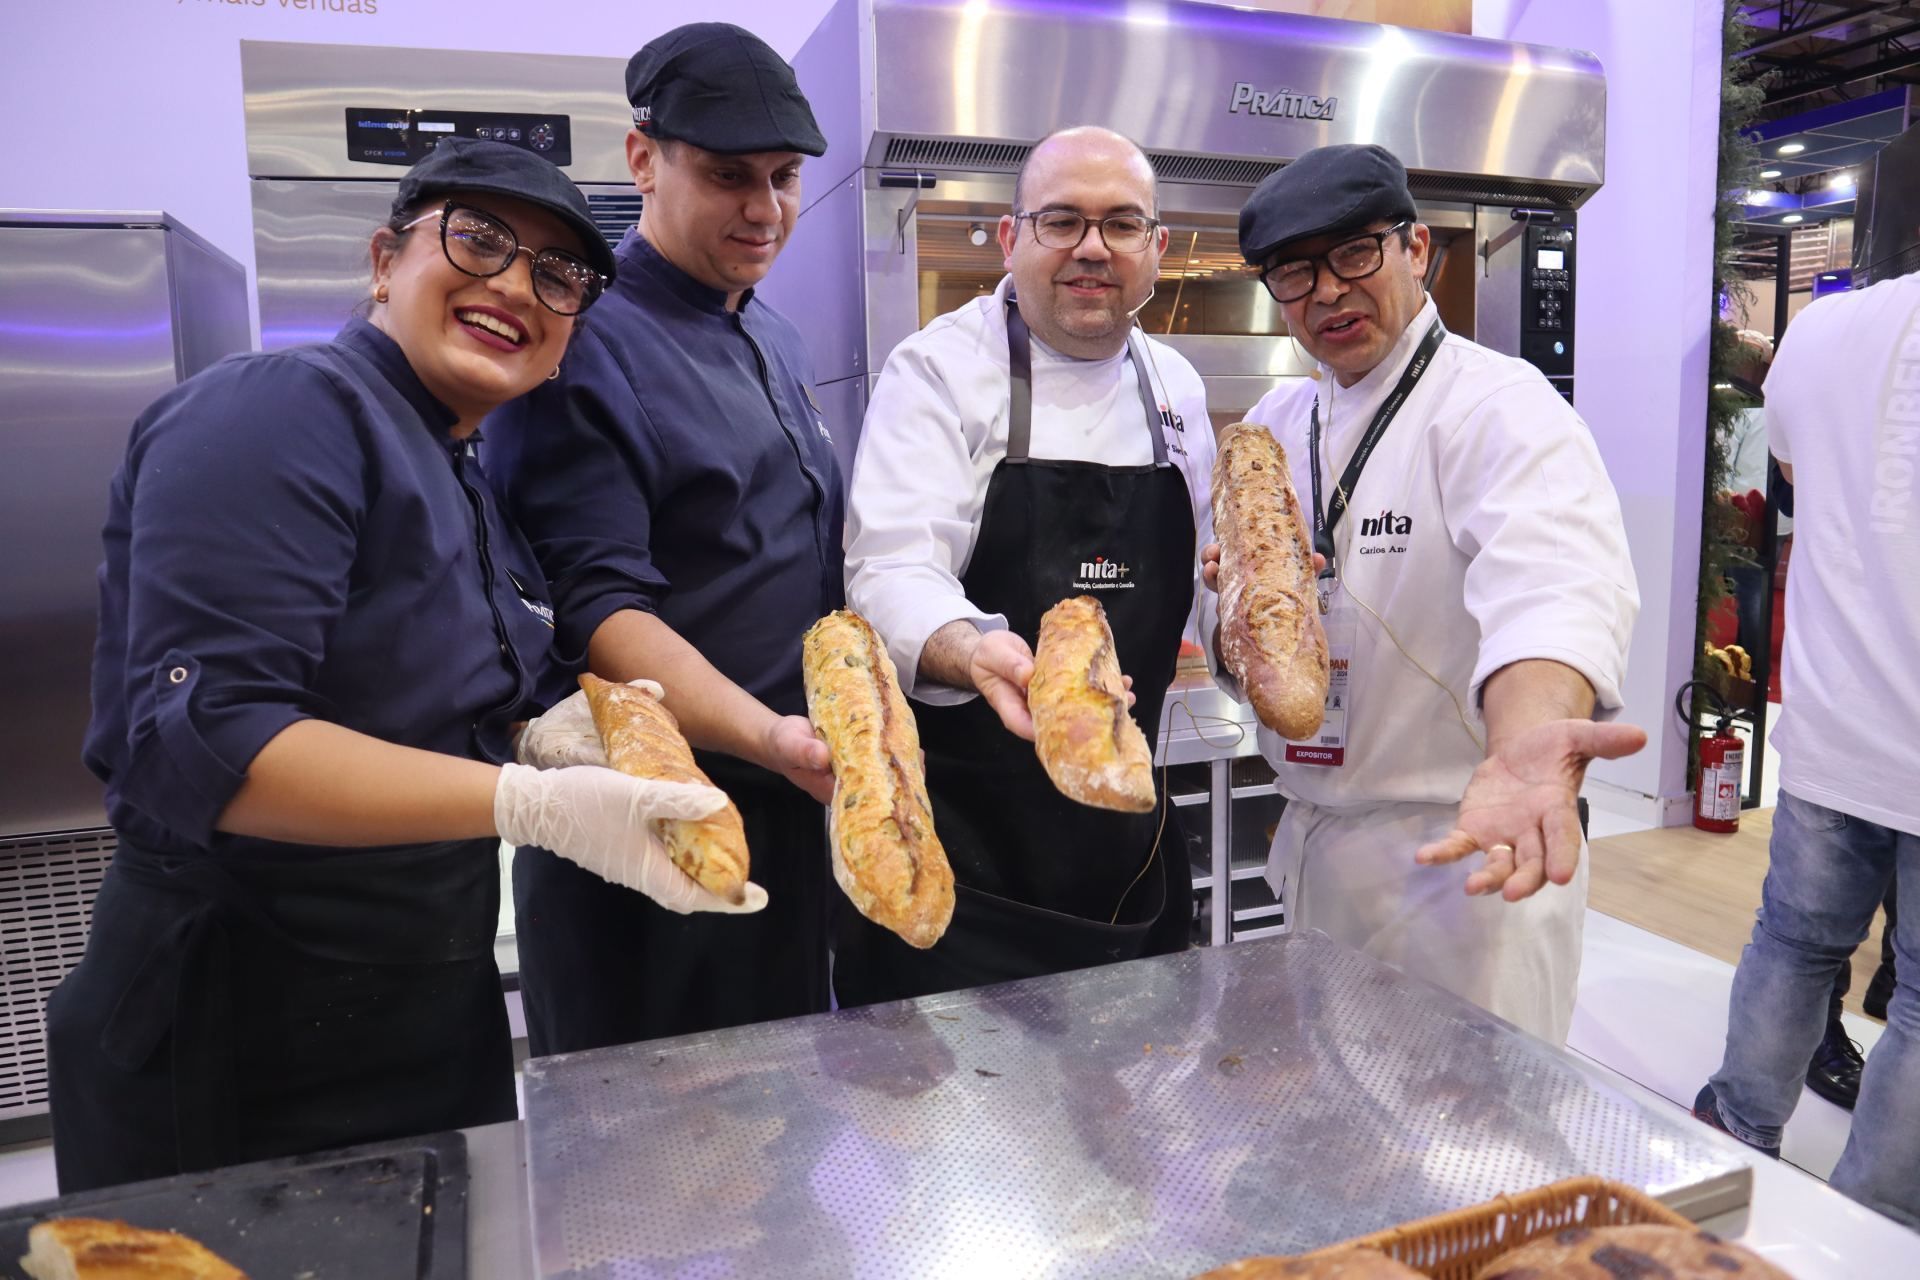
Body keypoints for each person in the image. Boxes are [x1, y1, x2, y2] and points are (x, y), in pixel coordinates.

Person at [46, 139, 756, 1193]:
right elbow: (209, 742)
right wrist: (533, 801)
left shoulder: (463, 468)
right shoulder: (281, 412)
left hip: (422, 1004)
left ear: (566, 339)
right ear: (386, 261)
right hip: (239, 1024)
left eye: (559, 275)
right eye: (479, 239)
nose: (515, 283)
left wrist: (538, 733)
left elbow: (424, 695)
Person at [1228, 144, 1643, 1044]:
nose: (1328, 292)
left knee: (1473, 1160)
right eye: (1294, 273)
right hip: (1312, 851)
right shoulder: (1273, 426)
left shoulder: (1500, 407)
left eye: (1355, 254)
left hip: (1465, 868)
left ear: (1416, 249)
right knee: (1335, 1154)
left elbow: (1551, 584)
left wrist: (1527, 747)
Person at [486, 24, 843, 1052]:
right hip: (650, 819)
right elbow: (598, 612)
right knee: (651, 1166)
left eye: (783, 177)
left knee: (774, 1122)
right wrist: (770, 735)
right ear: (642, 157)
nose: (766, 209)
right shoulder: (584, 342)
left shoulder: (770, 331)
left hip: (780, 800)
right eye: (730, 175)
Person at [833, 125, 1217, 1005]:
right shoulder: (937, 371)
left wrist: (1230, 604)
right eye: (1061, 221)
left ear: (1157, 250)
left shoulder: (1176, 389)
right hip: (962, 856)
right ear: (1012, 240)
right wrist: (975, 651)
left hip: (1129, 837)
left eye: (1123, 224)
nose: (1092, 248)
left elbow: (1195, 580)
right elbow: (889, 571)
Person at [1693, 264, 1919, 1230]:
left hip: (1837, 713)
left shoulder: (1829, 331)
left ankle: (1737, 1130)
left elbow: (1784, 463)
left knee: (1794, 940)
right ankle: (1872, 1216)